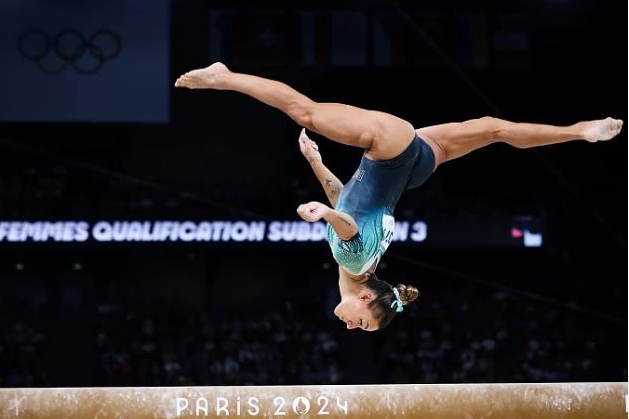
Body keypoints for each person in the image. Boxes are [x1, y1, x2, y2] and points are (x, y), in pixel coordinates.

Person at [174, 62, 623, 332]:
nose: (351, 325)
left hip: (414, 169)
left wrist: (316, 166)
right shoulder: (352, 265)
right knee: (304, 110)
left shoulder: (364, 264)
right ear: (368, 299)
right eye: (361, 322)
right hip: (391, 152)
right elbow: (345, 219)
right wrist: (324, 212)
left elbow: (348, 200)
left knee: (494, 128)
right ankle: (225, 77)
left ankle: (578, 132)